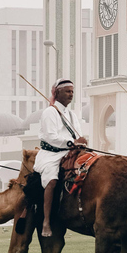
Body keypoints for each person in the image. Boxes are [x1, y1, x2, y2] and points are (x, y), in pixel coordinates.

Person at [33, 78, 86, 237]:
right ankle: (47, 221)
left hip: (70, 152)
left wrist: (81, 142)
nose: (71, 94)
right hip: (51, 155)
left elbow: (78, 134)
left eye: (72, 91)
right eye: (68, 91)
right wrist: (72, 142)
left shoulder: (72, 114)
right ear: (57, 93)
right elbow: (51, 137)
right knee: (52, 180)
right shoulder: (50, 112)